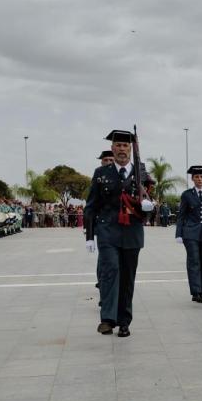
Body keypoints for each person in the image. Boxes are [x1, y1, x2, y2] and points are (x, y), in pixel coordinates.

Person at [84, 129, 155, 337]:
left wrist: (150, 207)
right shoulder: (101, 173)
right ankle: (107, 319)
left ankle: (124, 321)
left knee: (127, 278)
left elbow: (150, 205)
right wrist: (90, 235)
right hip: (107, 231)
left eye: (126, 146)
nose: (122, 149)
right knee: (110, 272)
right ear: (112, 148)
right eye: (118, 145)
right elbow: (91, 206)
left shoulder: (142, 174)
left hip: (132, 232)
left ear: (131, 149)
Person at [176, 165, 202, 303]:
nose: (199, 179)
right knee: (194, 261)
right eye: (196, 177)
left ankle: (201, 289)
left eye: (201, 177)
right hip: (191, 233)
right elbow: (181, 215)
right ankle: (196, 292)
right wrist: (179, 234)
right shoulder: (187, 195)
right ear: (192, 179)